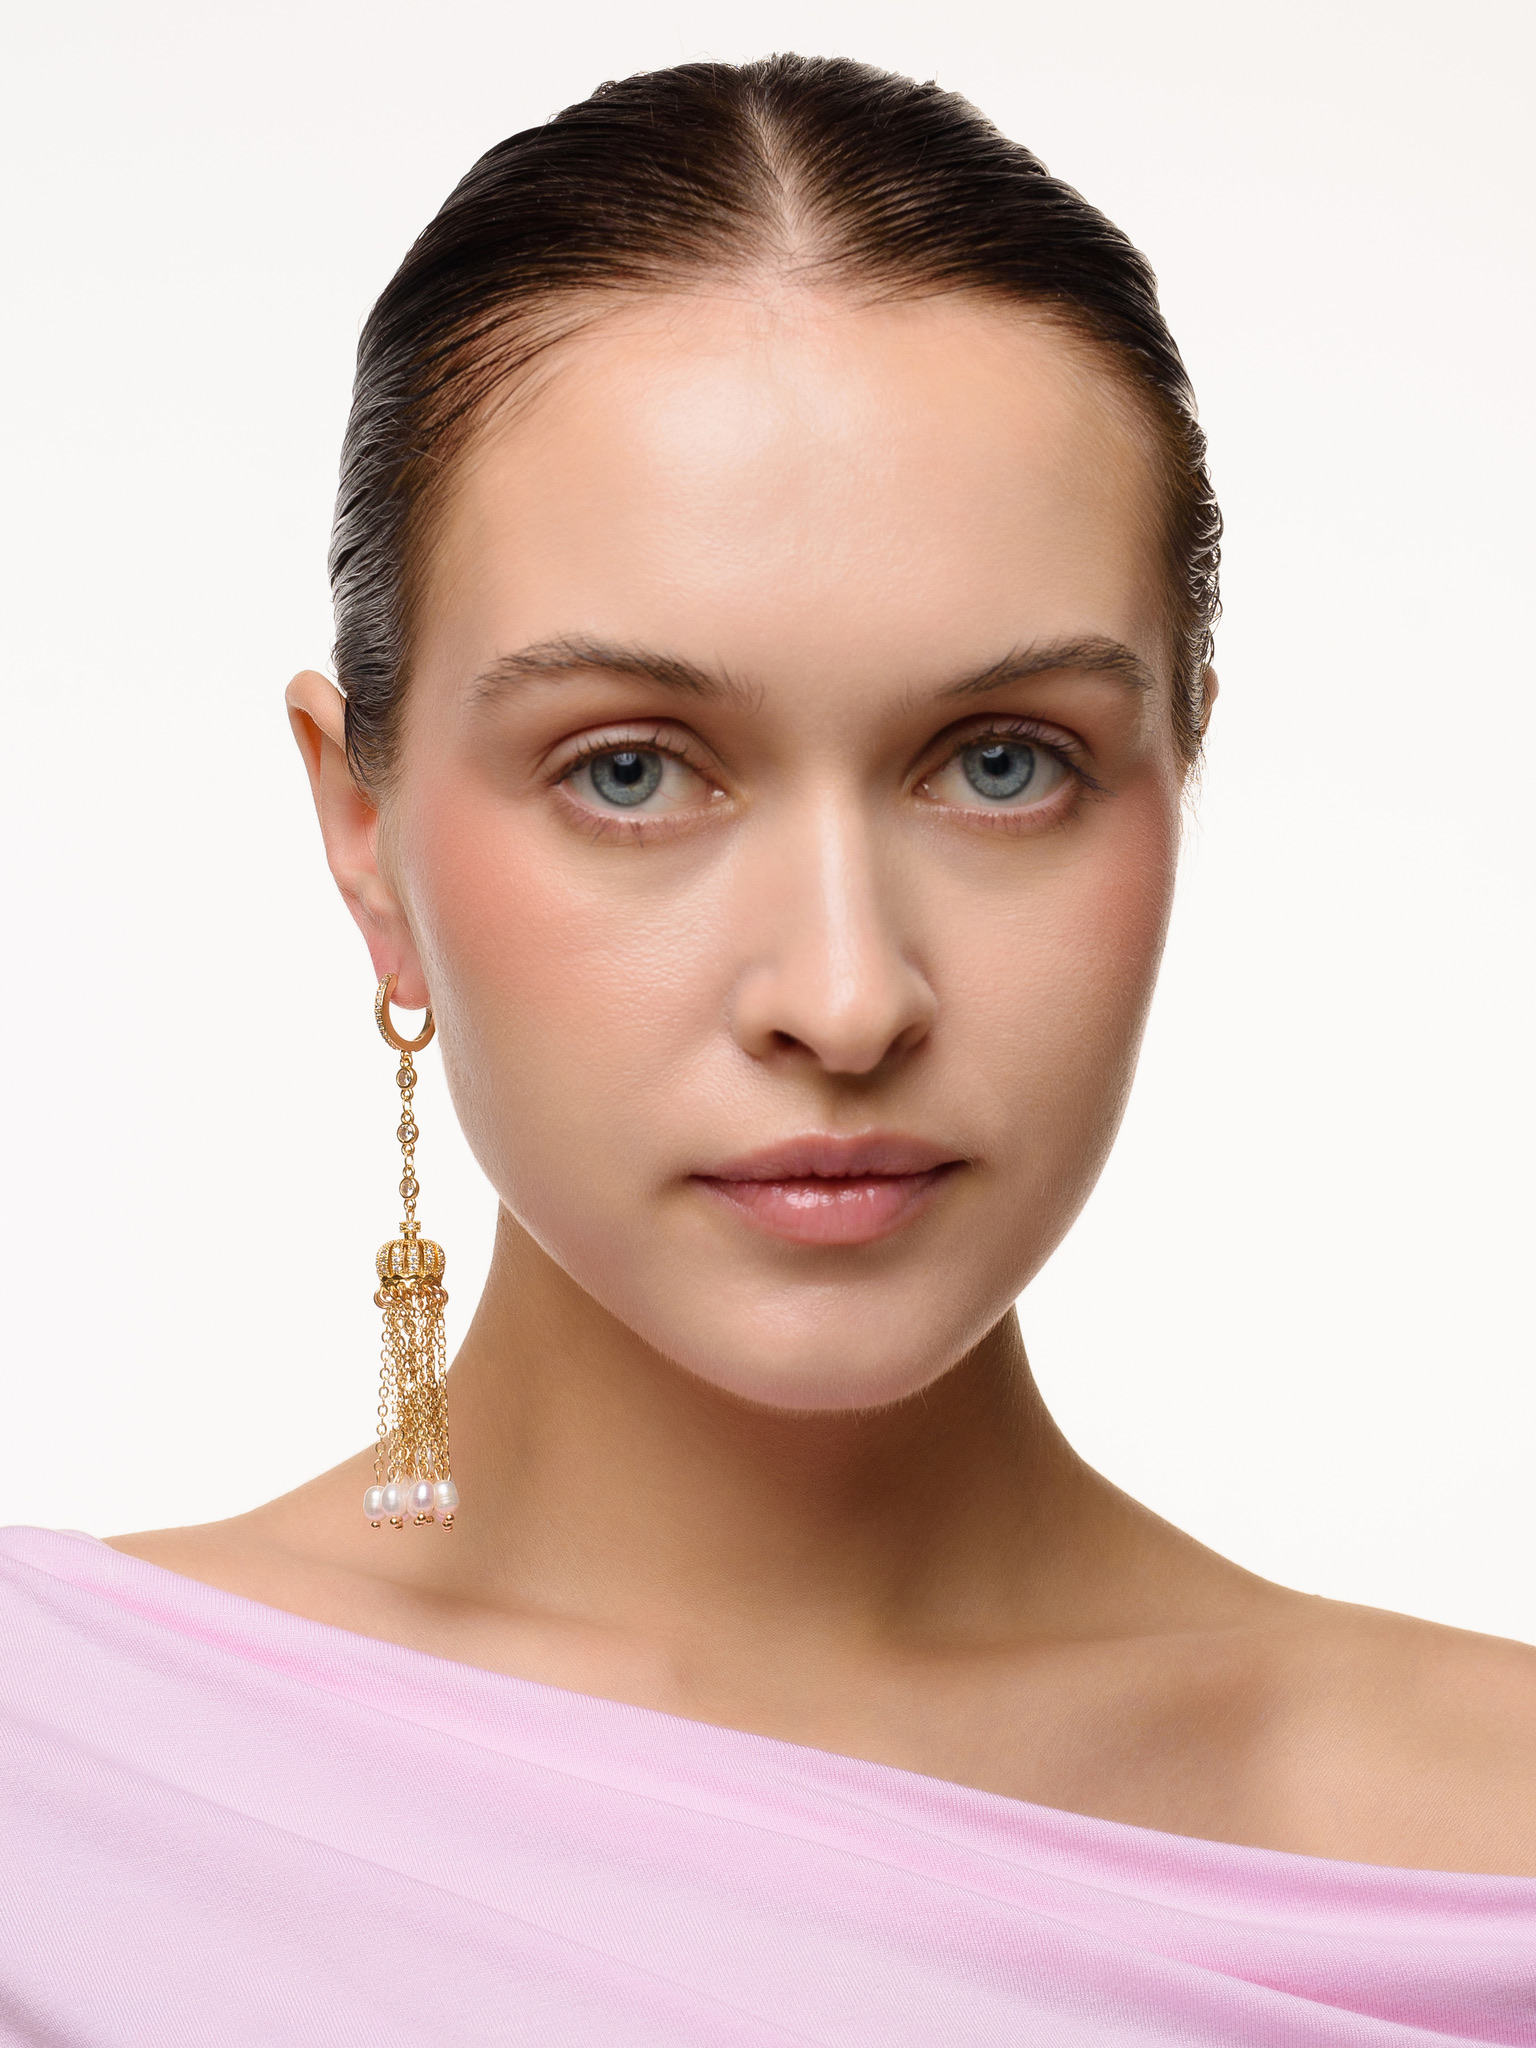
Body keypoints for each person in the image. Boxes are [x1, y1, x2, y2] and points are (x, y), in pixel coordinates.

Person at [2, 54, 1532, 2046]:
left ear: (1180, 772)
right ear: (361, 826)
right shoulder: (54, 1785)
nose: (846, 994)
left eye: (1005, 763)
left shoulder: (1491, 1844)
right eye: (632, 770)